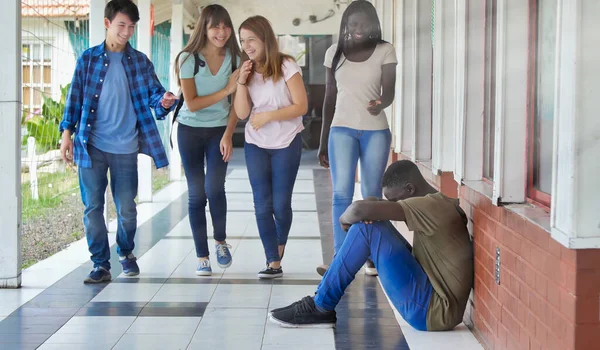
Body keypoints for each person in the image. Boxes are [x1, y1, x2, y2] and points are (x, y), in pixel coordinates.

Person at [269, 160, 474, 332]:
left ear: (410, 189)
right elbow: (371, 206)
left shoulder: (431, 207)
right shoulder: (437, 203)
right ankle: (330, 292)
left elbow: (358, 210)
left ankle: (321, 305)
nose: (393, 204)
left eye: (395, 200)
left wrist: (344, 220)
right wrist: (369, 211)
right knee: (372, 223)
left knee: (366, 228)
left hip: (432, 311)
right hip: (431, 297)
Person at [59, 0, 177, 284]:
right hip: (92, 145)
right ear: (107, 23)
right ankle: (100, 264)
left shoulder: (140, 62)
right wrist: (66, 133)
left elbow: (154, 96)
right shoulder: (88, 59)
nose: (127, 32)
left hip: (125, 147)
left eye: (131, 27)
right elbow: (74, 99)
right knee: (92, 207)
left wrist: (164, 101)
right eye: (122, 25)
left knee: (126, 208)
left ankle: (125, 252)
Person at [317, 0, 397, 277]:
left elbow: (390, 91)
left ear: (373, 24)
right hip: (341, 129)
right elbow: (329, 98)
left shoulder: (385, 50)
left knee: (370, 195)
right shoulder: (334, 53)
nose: (358, 29)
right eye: (353, 24)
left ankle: (370, 256)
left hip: (375, 130)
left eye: (363, 23)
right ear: (346, 26)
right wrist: (322, 138)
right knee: (341, 193)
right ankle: (340, 259)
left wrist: (381, 102)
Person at [234, 16, 308, 279]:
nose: (247, 46)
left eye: (251, 39)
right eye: (243, 41)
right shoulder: (247, 70)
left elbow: (301, 106)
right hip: (256, 143)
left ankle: (279, 244)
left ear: (266, 38)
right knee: (261, 204)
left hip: (287, 141)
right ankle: (272, 261)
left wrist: (269, 116)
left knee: (280, 203)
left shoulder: (286, 65)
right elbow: (243, 113)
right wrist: (241, 82)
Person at [173, 4, 241, 276]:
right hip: (189, 131)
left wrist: (228, 134)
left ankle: (221, 242)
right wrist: (226, 88)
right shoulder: (188, 58)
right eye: (215, 26)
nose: (221, 32)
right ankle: (202, 256)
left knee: (214, 189)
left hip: (218, 131)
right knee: (196, 194)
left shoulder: (235, 58)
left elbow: (237, 102)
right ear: (204, 27)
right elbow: (191, 103)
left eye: (226, 26)